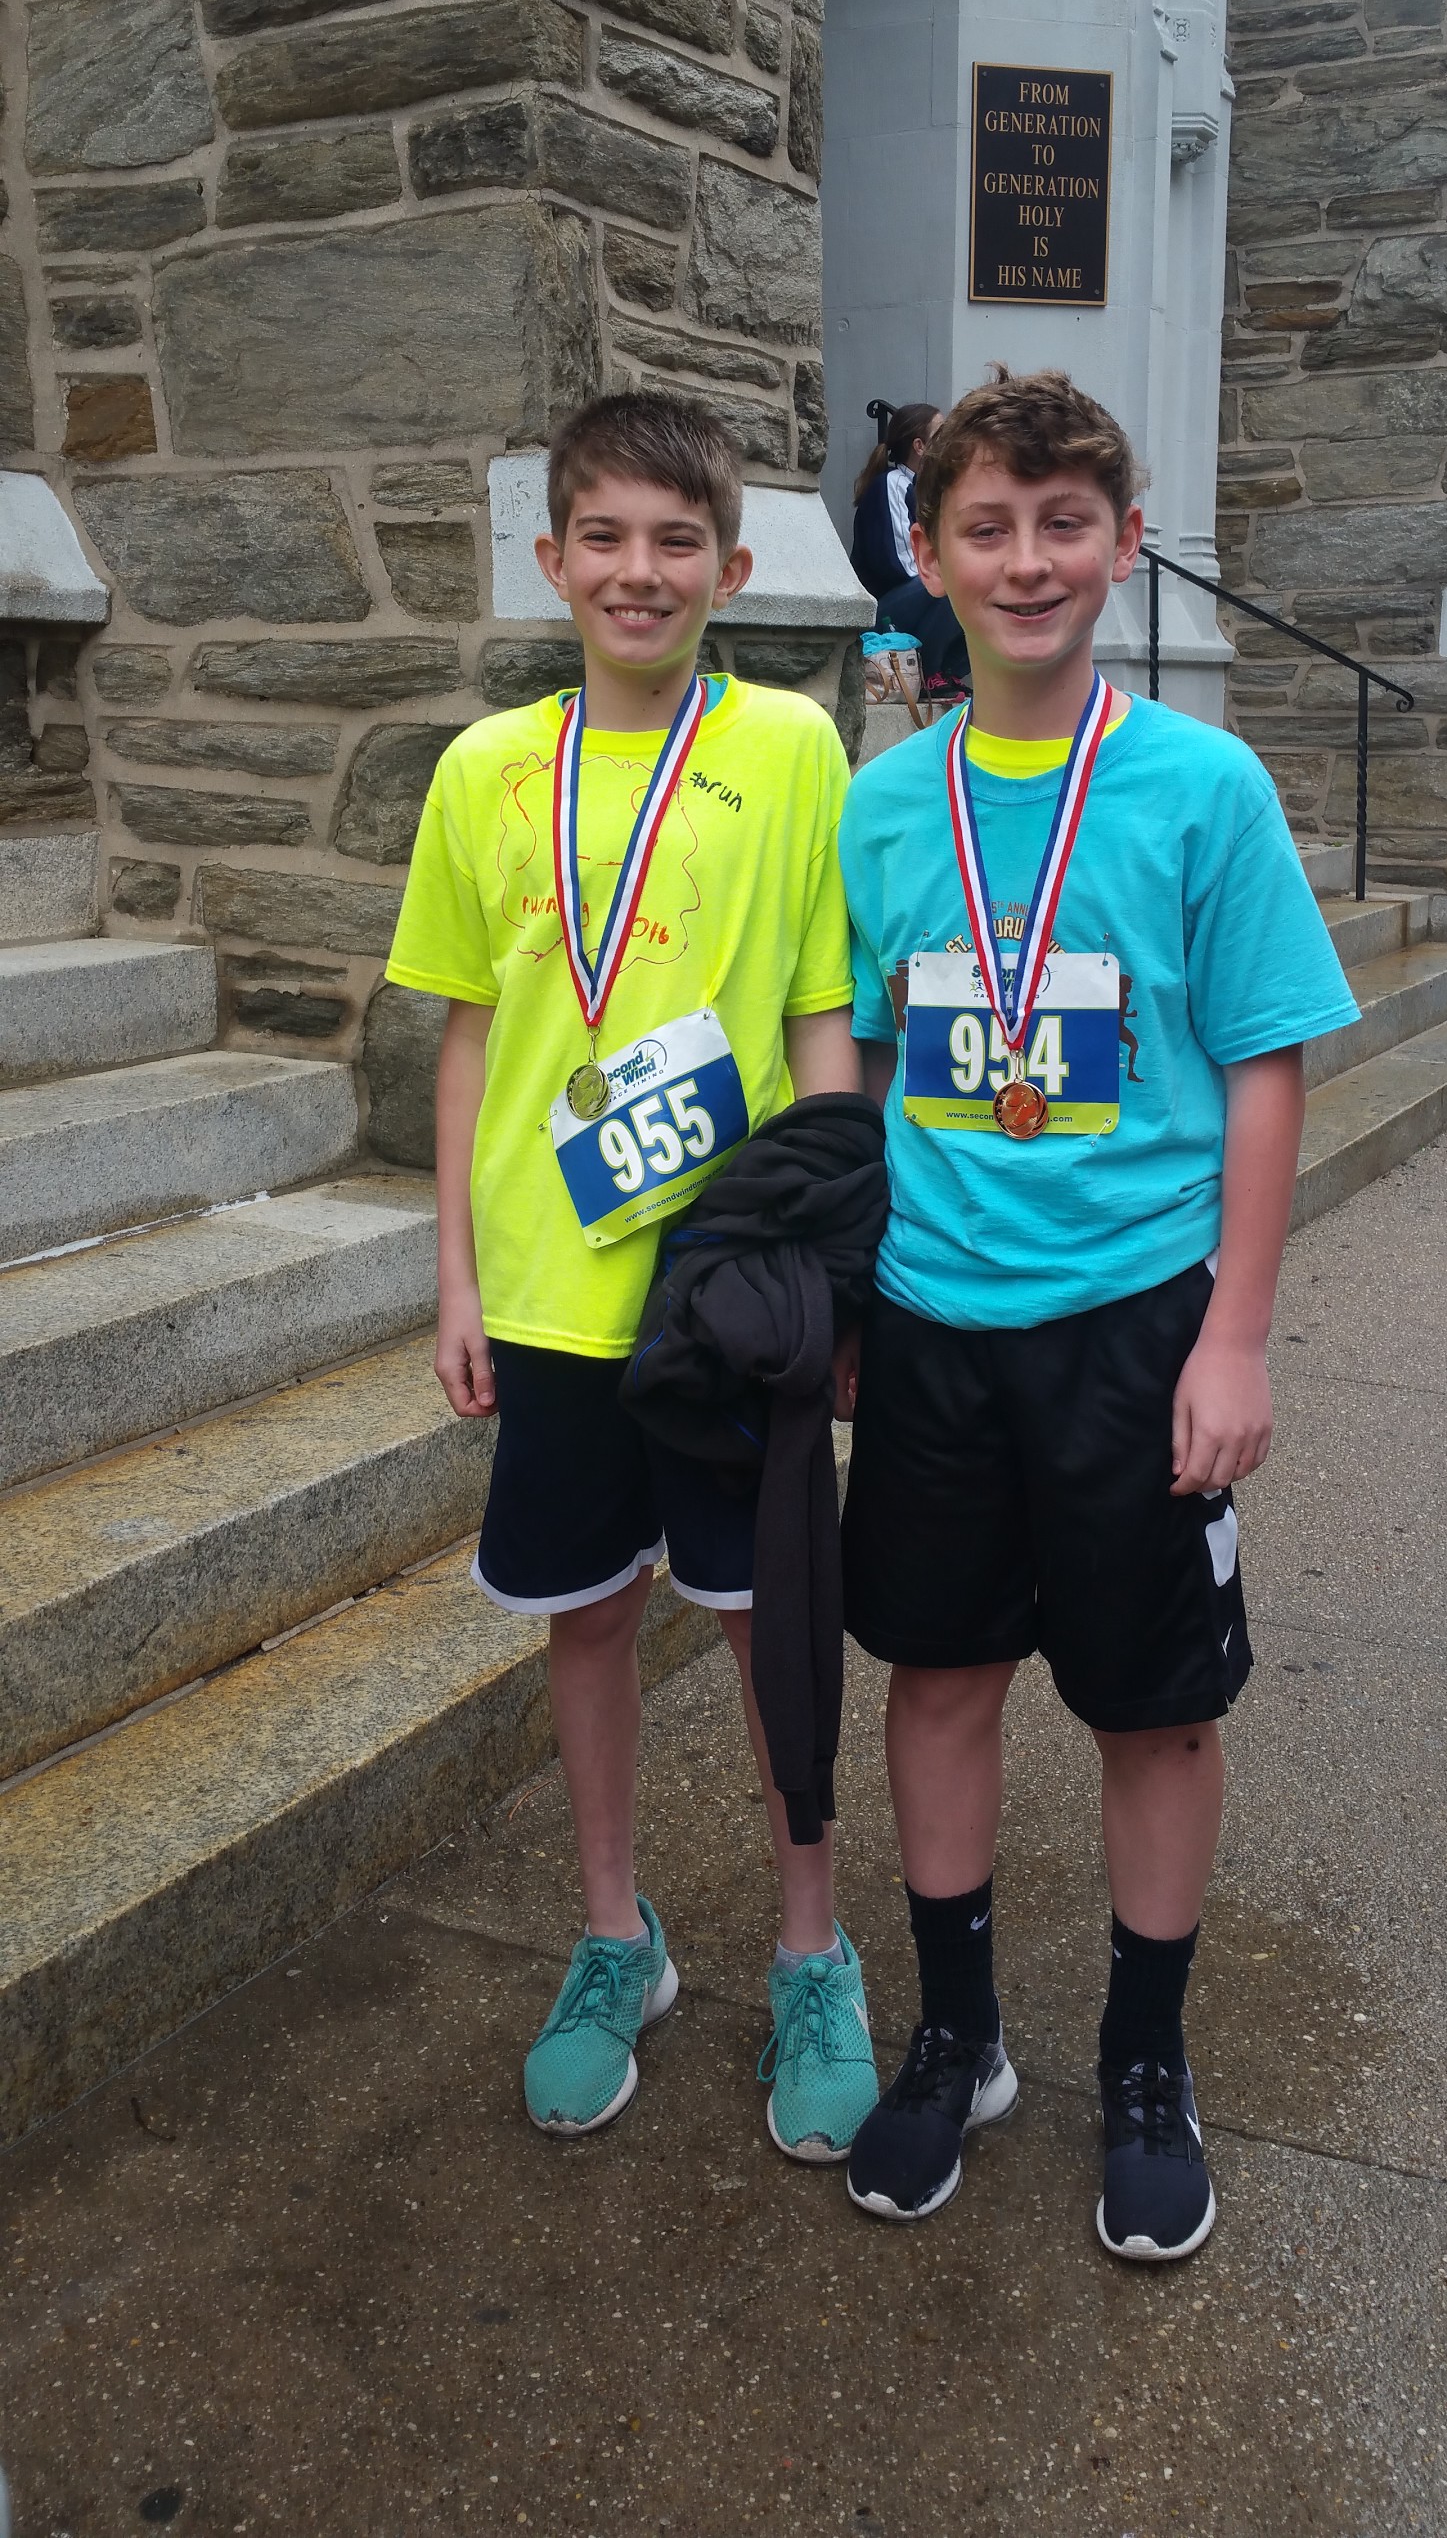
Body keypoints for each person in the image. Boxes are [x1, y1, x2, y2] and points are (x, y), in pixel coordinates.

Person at [836, 367, 1359, 2255]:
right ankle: (958, 2033)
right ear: (927, 553)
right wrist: (846, 1303)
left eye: (1065, 522)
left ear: (1124, 543)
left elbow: (1267, 1063)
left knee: (1154, 1708)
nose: (1027, 558)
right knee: (938, 1678)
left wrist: (1235, 1334)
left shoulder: (1203, 789)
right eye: (987, 525)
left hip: (1137, 1325)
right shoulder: (882, 807)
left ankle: (1146, 2059)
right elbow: (863, 1063)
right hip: (933, 1322)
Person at [385, 391, 880, 2166]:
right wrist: (454, 1278)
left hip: (729, 1286)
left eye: (677, 540)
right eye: (604, 536)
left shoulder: (793, 749)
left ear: (731, 569)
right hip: (548, 1291)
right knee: (585, 1614)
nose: (639, 570)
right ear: (552, 560)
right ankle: (617, 1935)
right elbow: (467, 1042)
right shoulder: (483, 771)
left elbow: (820, 1017)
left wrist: (837, 1276)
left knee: (766, 1624)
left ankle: (812, 1948)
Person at [851, 399, 969, 694]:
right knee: (952, 579)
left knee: (980, 579)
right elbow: (900, 564)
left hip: (917, 598)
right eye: (941, 433)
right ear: (920, 446)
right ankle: (931, 671)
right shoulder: (892, 484)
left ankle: (948, 671)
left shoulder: (931, 490)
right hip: (884, 608)